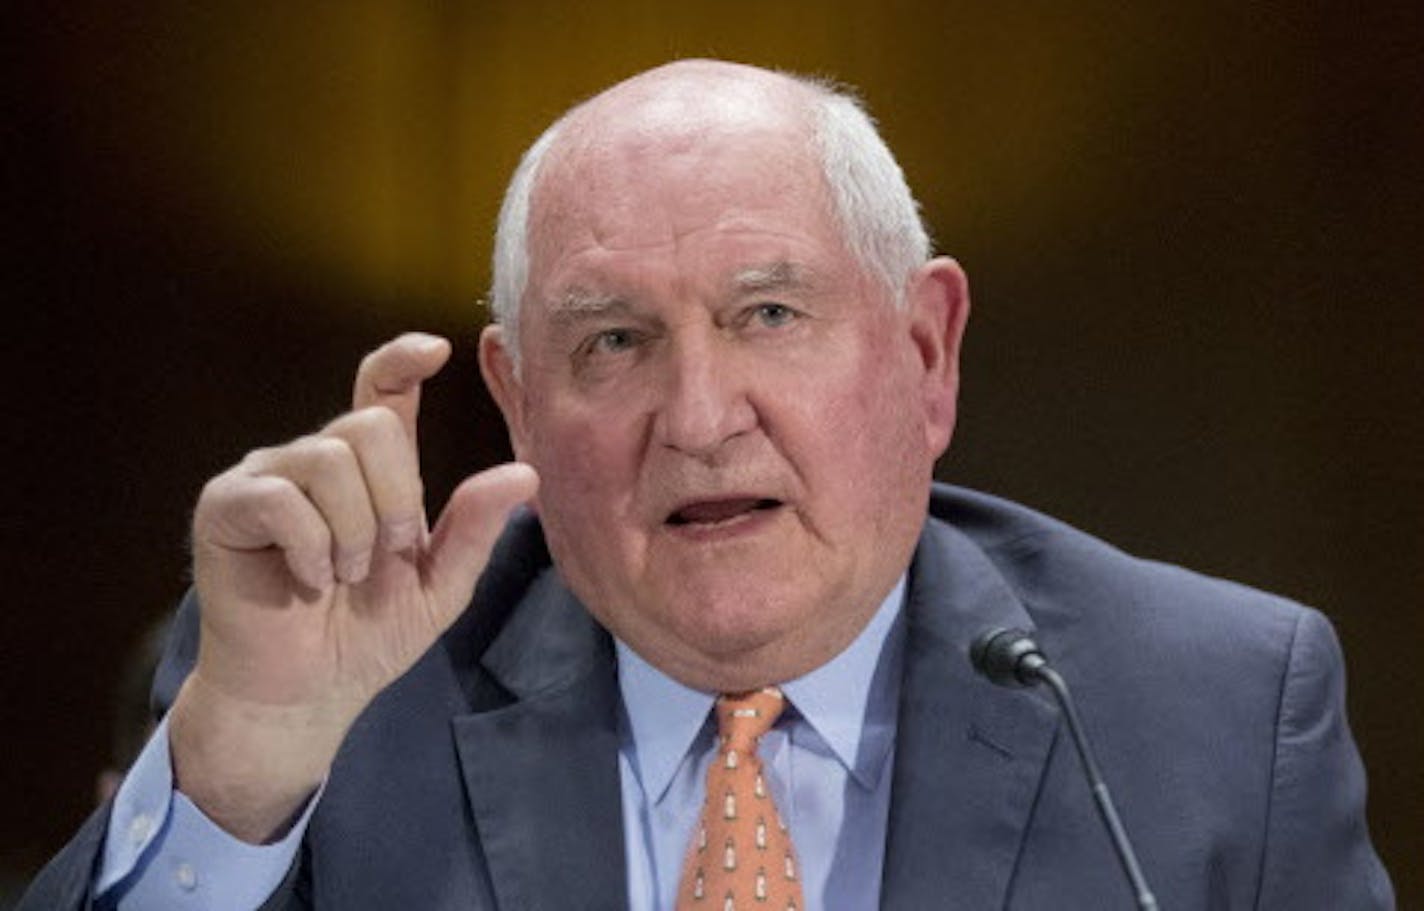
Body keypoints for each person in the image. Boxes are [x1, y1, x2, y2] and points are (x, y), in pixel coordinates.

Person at [22, 59, 1393, 910]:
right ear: (515, 403)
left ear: (926, 354)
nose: (696, 416)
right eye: (612, 341)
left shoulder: (1214, 714)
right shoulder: (331, 700)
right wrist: (241, 776)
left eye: (769, 315)